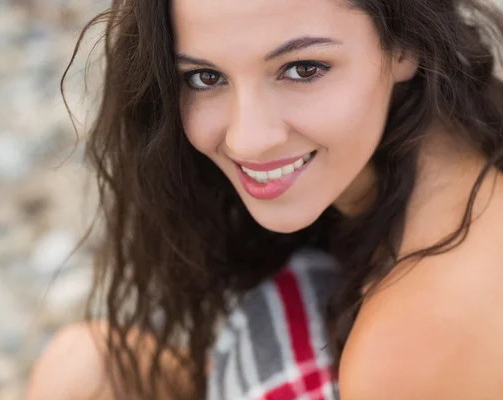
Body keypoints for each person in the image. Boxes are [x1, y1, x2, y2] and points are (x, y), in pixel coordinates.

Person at [25, 0, 503, 399]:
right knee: (86, 370)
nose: (248, 140)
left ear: (405, 41)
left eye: (303, 68)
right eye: (205, 78)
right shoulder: (459, 144)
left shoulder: (410, 349)